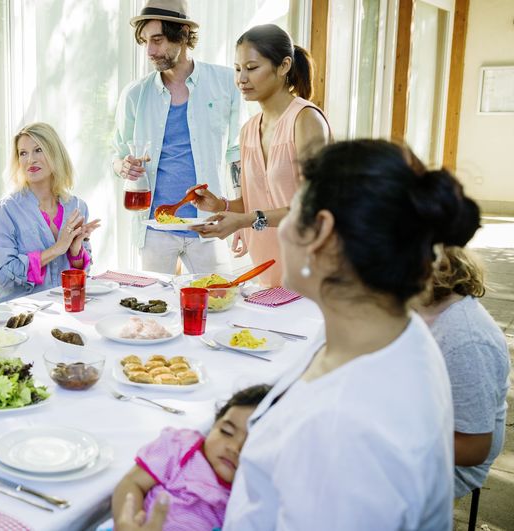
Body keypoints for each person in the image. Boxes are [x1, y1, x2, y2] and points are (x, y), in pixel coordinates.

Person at [217, 140, 481, 529]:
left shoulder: (347, 434)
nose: (283, 227)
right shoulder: (387, 334)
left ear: (320, 231)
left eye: (293, 210)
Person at [191, 24, 330, 287]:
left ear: (284, 66)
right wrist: (221, 206)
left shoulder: (306, 120)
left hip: (311, 273)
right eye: (237, 69)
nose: (241, 79)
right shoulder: (248, 130)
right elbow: (256, 202)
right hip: (266, 271)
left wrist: (244, 220)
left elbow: (314, 209)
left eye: (252, 68)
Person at [112, 0, 242, 275]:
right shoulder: (135, 94)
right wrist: (122, 165)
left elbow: (236, 154)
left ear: (182, 34)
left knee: (219, 300)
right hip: (155, 226)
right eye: (145, 41)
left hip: (210, 223)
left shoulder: (226, 84)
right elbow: (117, 153)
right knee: (158, 306)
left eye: (157, 40)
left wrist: (241, 218)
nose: (149, 50)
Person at [414, 246, 510, 499]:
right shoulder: (419, 307)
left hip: (449, 465)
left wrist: (388, 435)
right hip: (419, 427)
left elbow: (472, 448)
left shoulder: (466, 341)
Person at [112, 384, 271, 531]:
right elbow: (132, 483)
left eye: (251, 443)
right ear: (214, 425)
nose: (234, 448)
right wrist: (127, 523)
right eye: (226, 432)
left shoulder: (254, 489)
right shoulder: (180, 446)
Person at [0, 122, 100, 302]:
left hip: (60, 307)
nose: (30, 159)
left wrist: (75, 249)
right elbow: (4, 274)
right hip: (18, 312)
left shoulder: (77, 207)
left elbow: (82, 273)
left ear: (55, 153)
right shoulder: (7, 210)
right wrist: (57, 249)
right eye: (23, 153)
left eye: (38, 150)